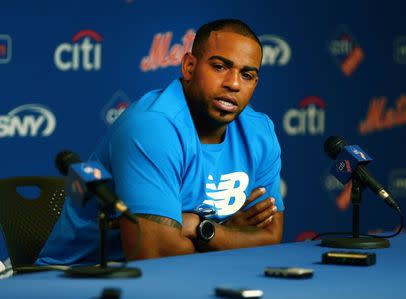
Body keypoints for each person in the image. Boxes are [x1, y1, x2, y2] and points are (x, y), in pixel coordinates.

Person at [36, 19, 284, 265]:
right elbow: (154, 256)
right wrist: (229, 237)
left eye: (247, 74)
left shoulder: (259, 131)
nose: (234, 83)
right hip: (81, 277)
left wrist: (202, 228)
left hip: (190, 279)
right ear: (188, 67)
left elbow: (270, 237)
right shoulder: (152, 127)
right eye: (219, 67)